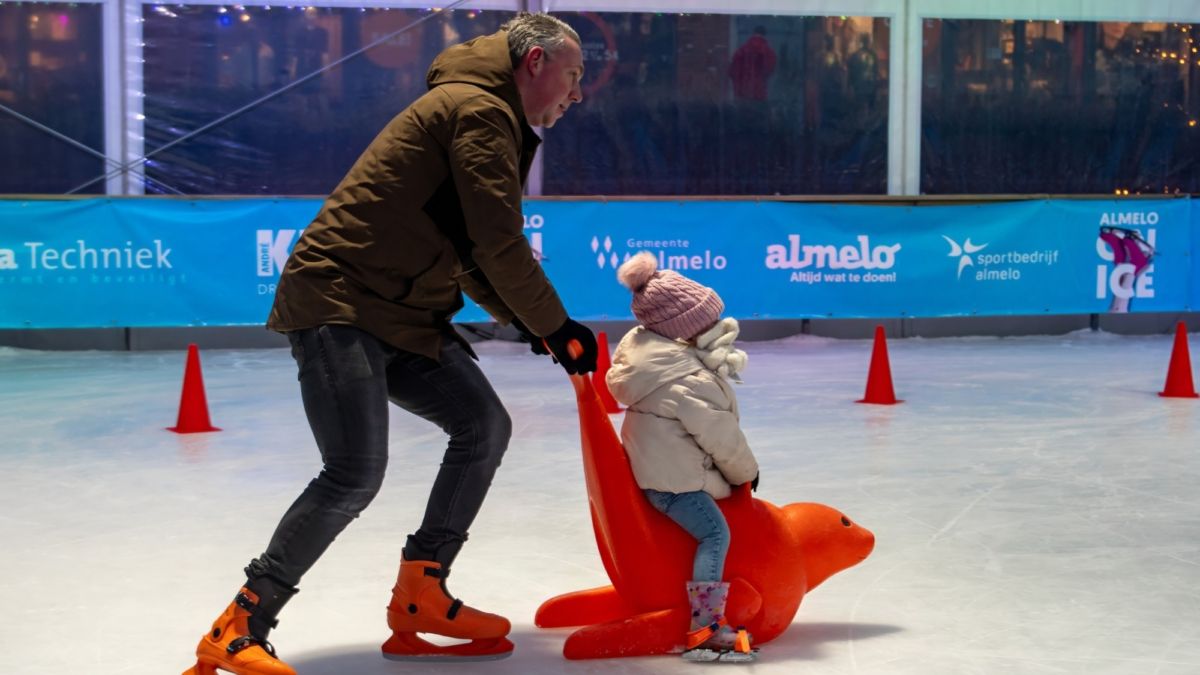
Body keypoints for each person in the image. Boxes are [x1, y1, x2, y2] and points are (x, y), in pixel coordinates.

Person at [183, 12, 598, 675]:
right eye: (574, 75)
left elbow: (469, 252)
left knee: (481, 423)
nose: (577, 92)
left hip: (402, 308)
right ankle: (239, 623)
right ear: (537, 64)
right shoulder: (478, 111)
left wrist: (534, 326)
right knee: (353, 471)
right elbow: (497, 242)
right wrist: (555, 323)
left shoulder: (482, 112)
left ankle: (421, 594)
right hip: (340, 299)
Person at [604, 252, 760, 663]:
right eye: (706, 321)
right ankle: (705, 629)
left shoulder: (647, 358)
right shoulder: (683, 379)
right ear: (684, 329)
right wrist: (747, 472)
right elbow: (719, 436)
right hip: (674, 483)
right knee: (716, 534)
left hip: (659, 470)